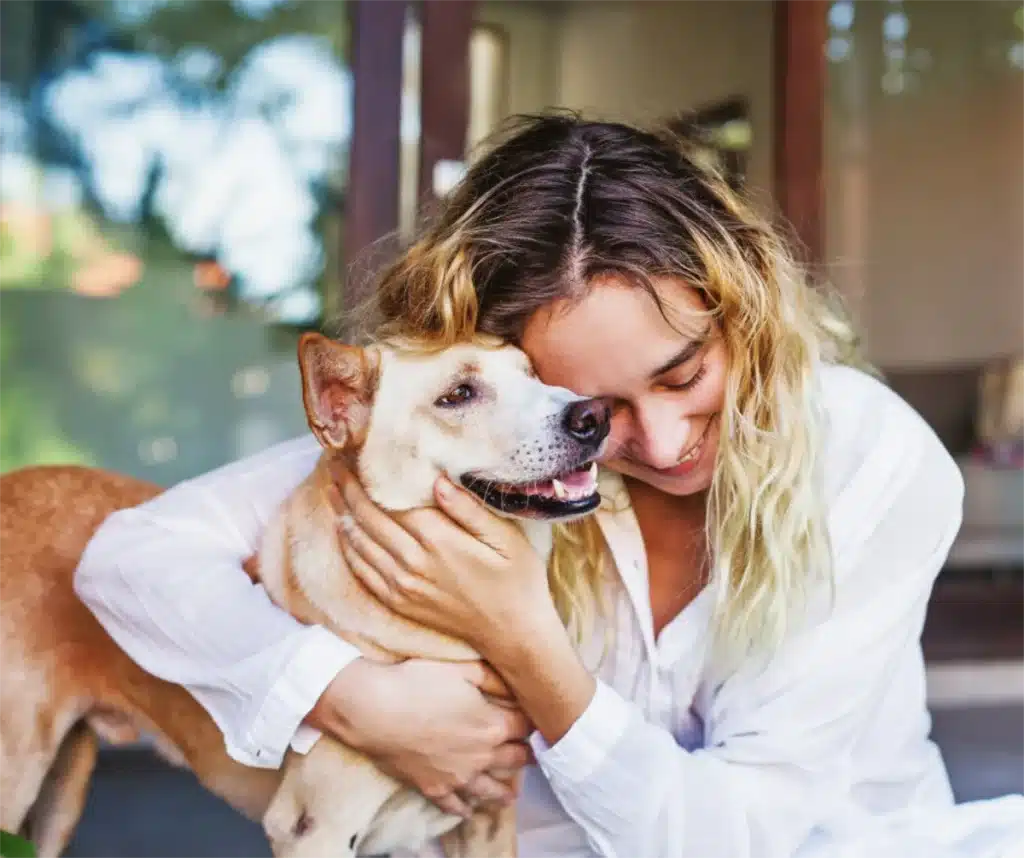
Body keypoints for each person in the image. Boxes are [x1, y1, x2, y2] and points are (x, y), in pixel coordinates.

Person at [75, 114, 1024, 858]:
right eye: (590, 408)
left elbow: (731, 838)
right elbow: (128, 560)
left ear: (745, 313)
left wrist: (522, 638)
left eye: (685, 373)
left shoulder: (866, 456)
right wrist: (349, 696)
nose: (658, 442)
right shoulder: (479, 437)